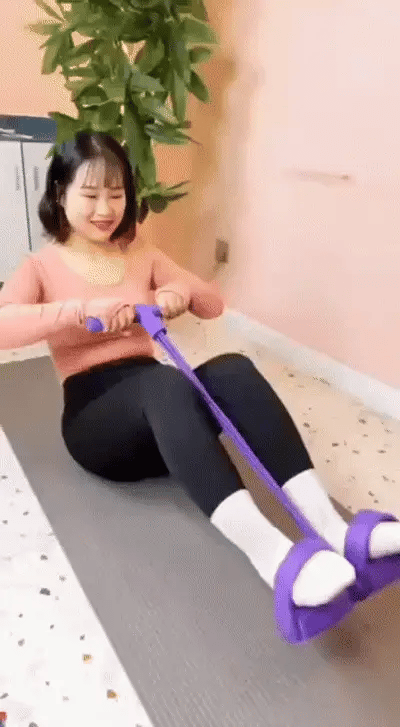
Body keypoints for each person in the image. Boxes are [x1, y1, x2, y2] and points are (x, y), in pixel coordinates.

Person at [1, 132, 399, 612]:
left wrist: (177, 292)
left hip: (166, 415)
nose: (105, 209)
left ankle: (334, 529)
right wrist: (79, 310)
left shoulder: (140, 251)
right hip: (98, 425)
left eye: (116, 193)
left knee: (232, 369)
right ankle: (274, 559)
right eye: (89, 195)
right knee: (164, 383)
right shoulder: (41, 267)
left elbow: (212, 304)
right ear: (59, 193)